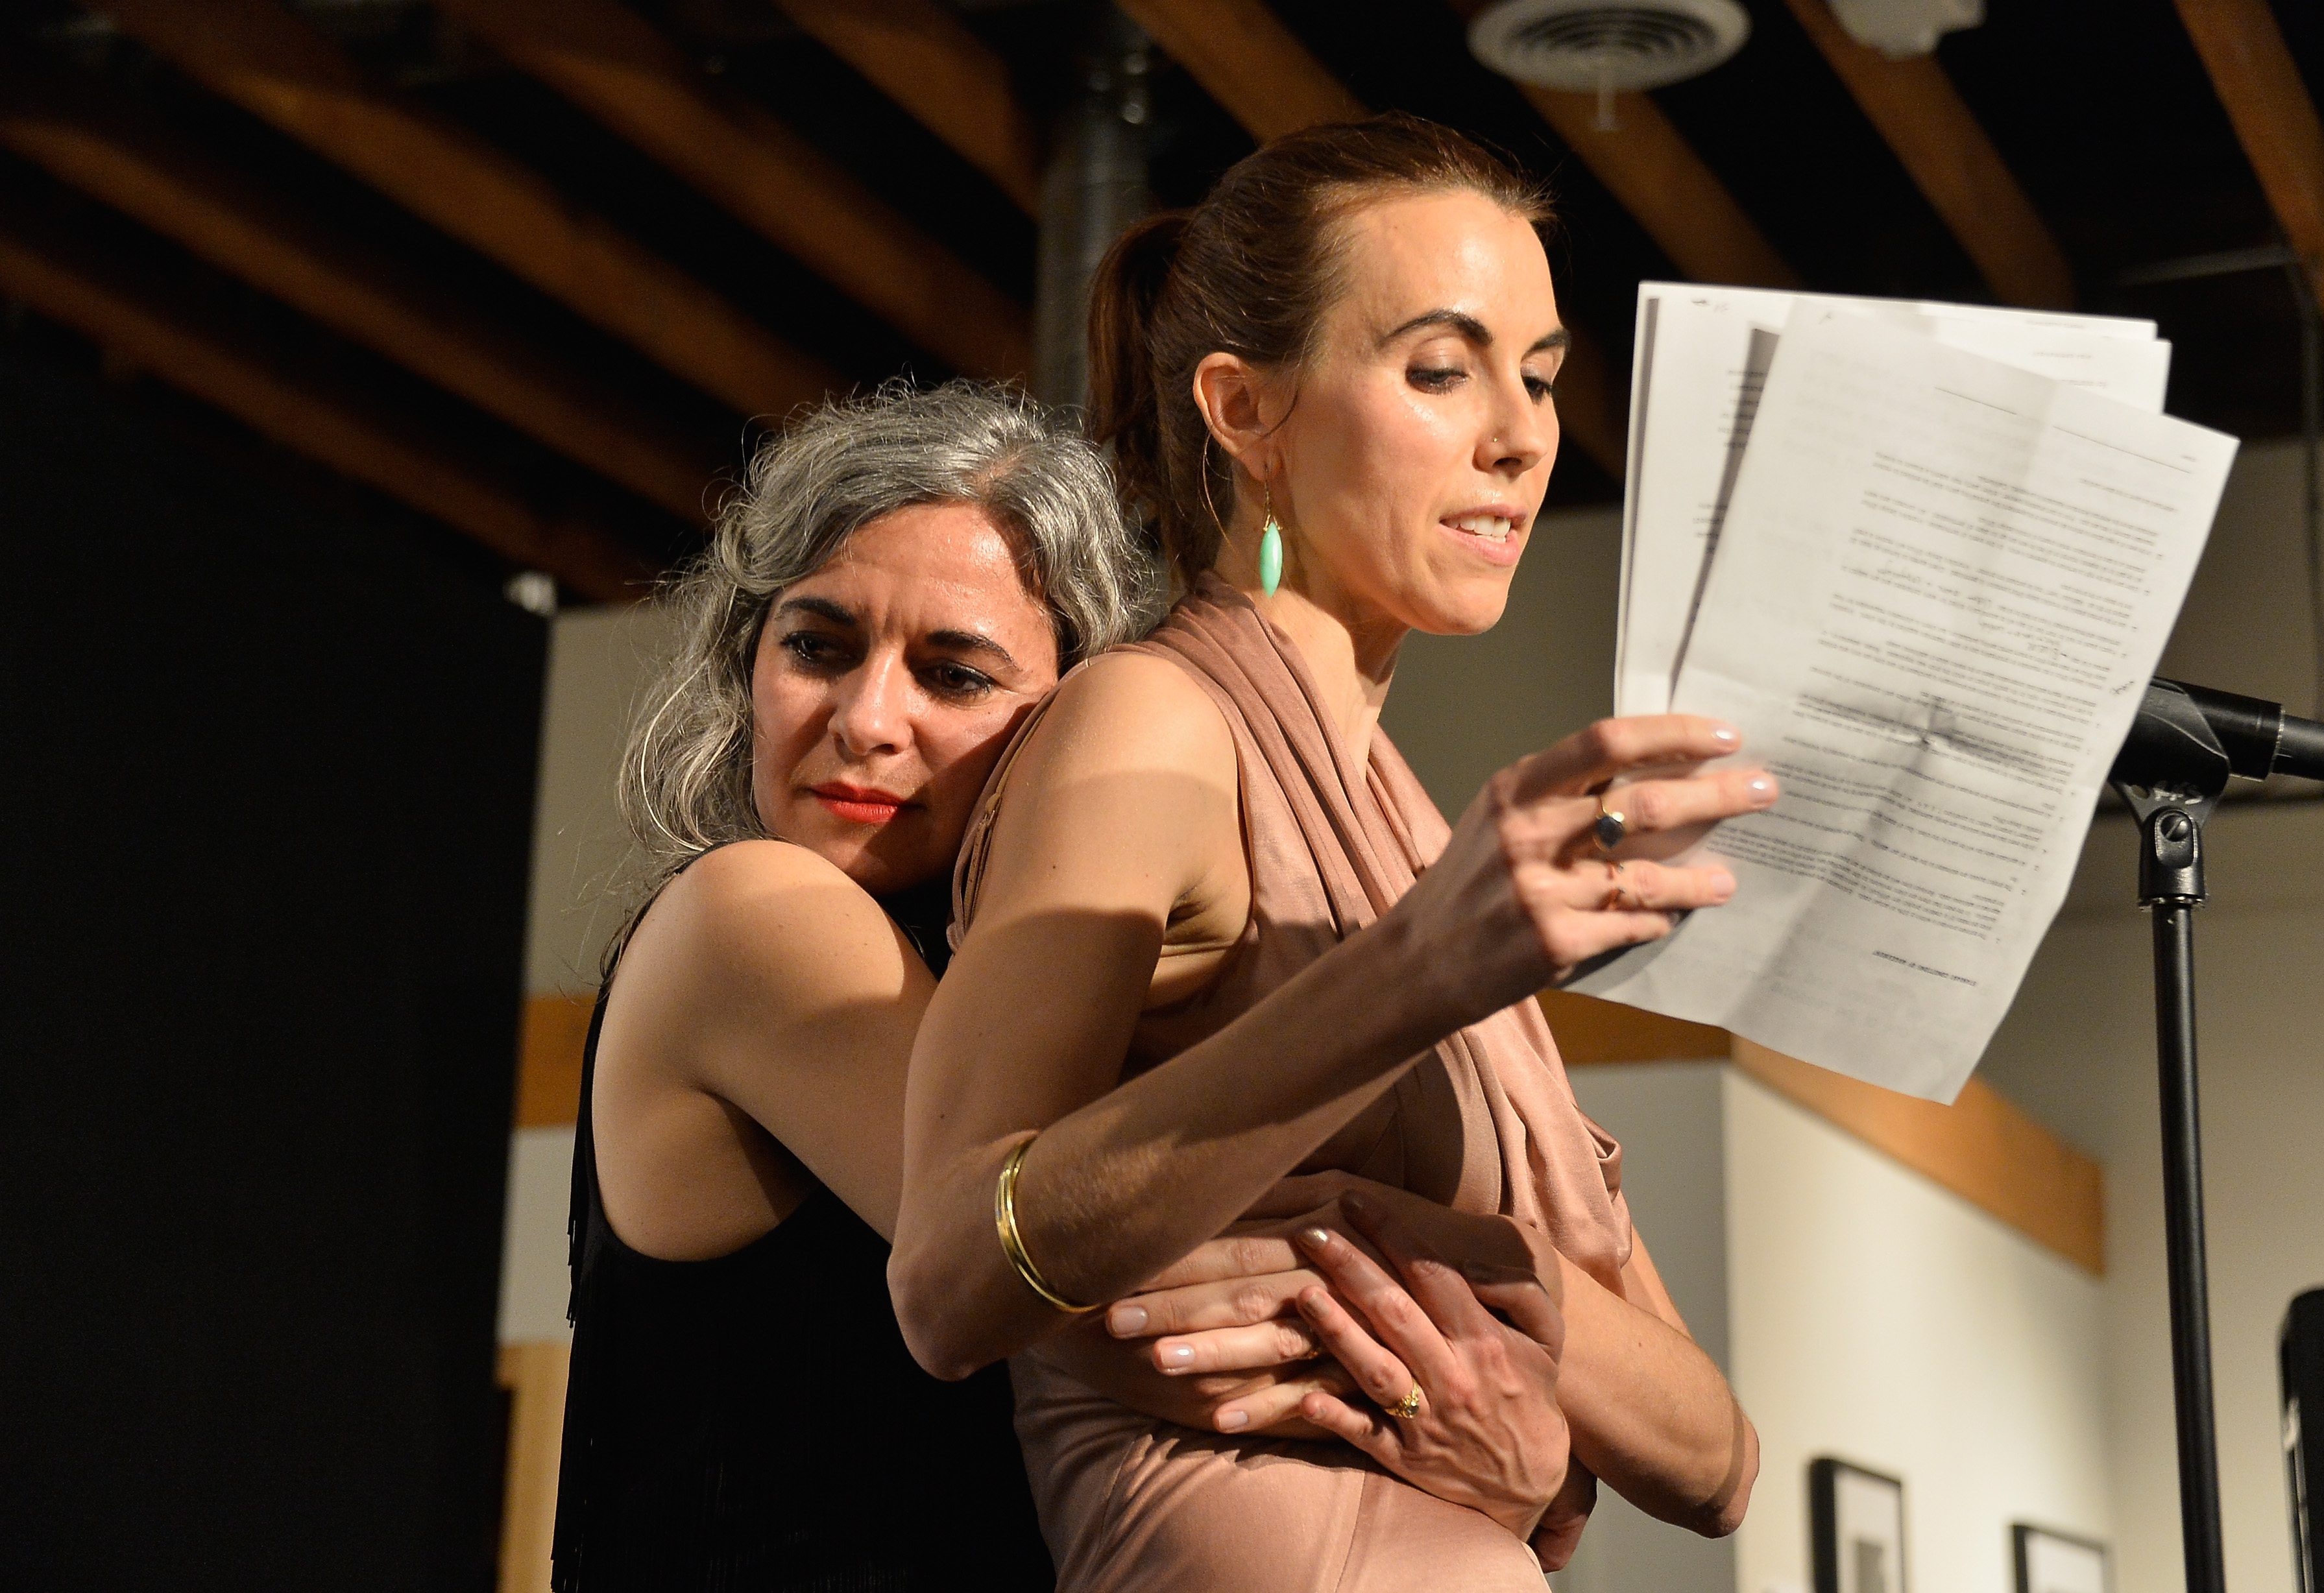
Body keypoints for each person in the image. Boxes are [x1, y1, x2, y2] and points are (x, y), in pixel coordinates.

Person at [889, 117, 1768, 1590]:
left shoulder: (1415, 823)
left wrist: (1460, 1268)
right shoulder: (1155, 725)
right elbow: (948, 1277)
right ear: (1246, 409)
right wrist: (1417, 973)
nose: (1522, 434)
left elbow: (1719, 1460)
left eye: (1541, 375)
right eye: (1441, 370)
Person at [548, 381, 1566, 1592]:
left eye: (953, 674)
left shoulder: (1034, 1002)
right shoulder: (751, 913)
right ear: (749, 657)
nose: (868, 720)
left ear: (1060, 726)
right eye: (818, 647)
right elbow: (1143, 1316)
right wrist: (1479, 1404)